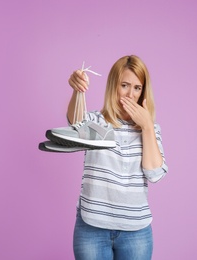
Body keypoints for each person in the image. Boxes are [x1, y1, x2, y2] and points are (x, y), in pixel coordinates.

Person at [67, 55, 168, 260]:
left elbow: (155, 173)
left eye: (137, 88)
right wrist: (77, 90)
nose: (130, 95)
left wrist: (147, 126)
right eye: (124, 85)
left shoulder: (151, 130)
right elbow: (75, 122)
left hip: (136, 233)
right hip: (92, 229)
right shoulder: (94, 121)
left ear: (143, 92)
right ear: (113, 85)